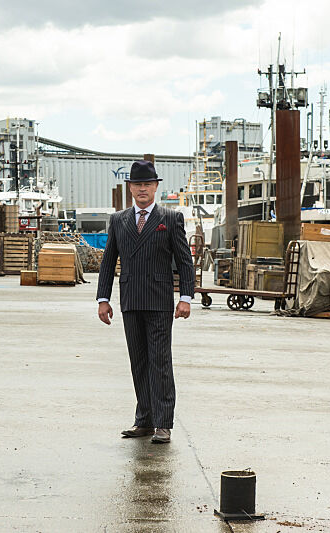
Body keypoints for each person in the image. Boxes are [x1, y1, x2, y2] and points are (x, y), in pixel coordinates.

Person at [96, 160, 195, 444]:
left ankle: (163, 423)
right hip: (130, 300)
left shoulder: (170, 218)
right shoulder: (118, 220)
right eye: (137, 184)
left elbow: (185, 262)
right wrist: (103, 299)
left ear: (155, 187)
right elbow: (107, 262)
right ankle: (145, 421)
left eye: (147, 184)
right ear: (130, 188)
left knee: (160, 361)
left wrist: (185, 297)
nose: (142, 189)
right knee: (138, 361)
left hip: (160, 300)